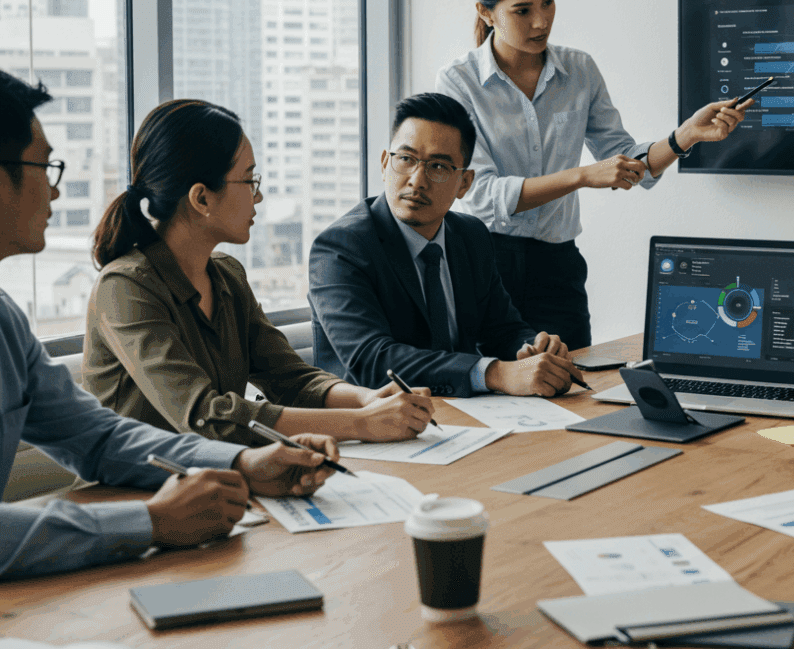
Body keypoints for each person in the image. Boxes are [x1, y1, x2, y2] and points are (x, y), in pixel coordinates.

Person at [0, 71, 338, 580]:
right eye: (44, 167)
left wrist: (241, 464)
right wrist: (149, 521)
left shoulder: (6, 324)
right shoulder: (127, 284)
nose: (54, 190)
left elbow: (99, 439)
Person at [434, 0, 749, 349]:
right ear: (486, 12)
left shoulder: (579, 70)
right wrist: (584, 176)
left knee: (575, 389)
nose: (540, 22)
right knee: (492, 393)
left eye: (548, 3)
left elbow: (627, 162)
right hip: (484, 264)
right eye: (522, 11)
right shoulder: (459, 82)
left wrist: (684, 135)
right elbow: (483, 194)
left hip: (558, 267)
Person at [83, 99, 434, 447]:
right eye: (249, 181)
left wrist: (366, 400)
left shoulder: (226, 275)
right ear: (201, 199)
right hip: (135, 489)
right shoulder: (125, 288)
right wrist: (362, 424)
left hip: (219, 476)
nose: (260, 196)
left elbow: (291, 379)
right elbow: (205, 415)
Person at [308, 92, 579, 398]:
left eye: (438, 166)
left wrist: (534, 350)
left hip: (467, 413)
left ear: (464, 183)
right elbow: (371, 361)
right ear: (385, 164)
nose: (417, 180)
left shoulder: (471, 235)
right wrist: (494, 373)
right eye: (406, 160)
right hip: (374, 424)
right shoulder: (340, 248)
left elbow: (503, 329)